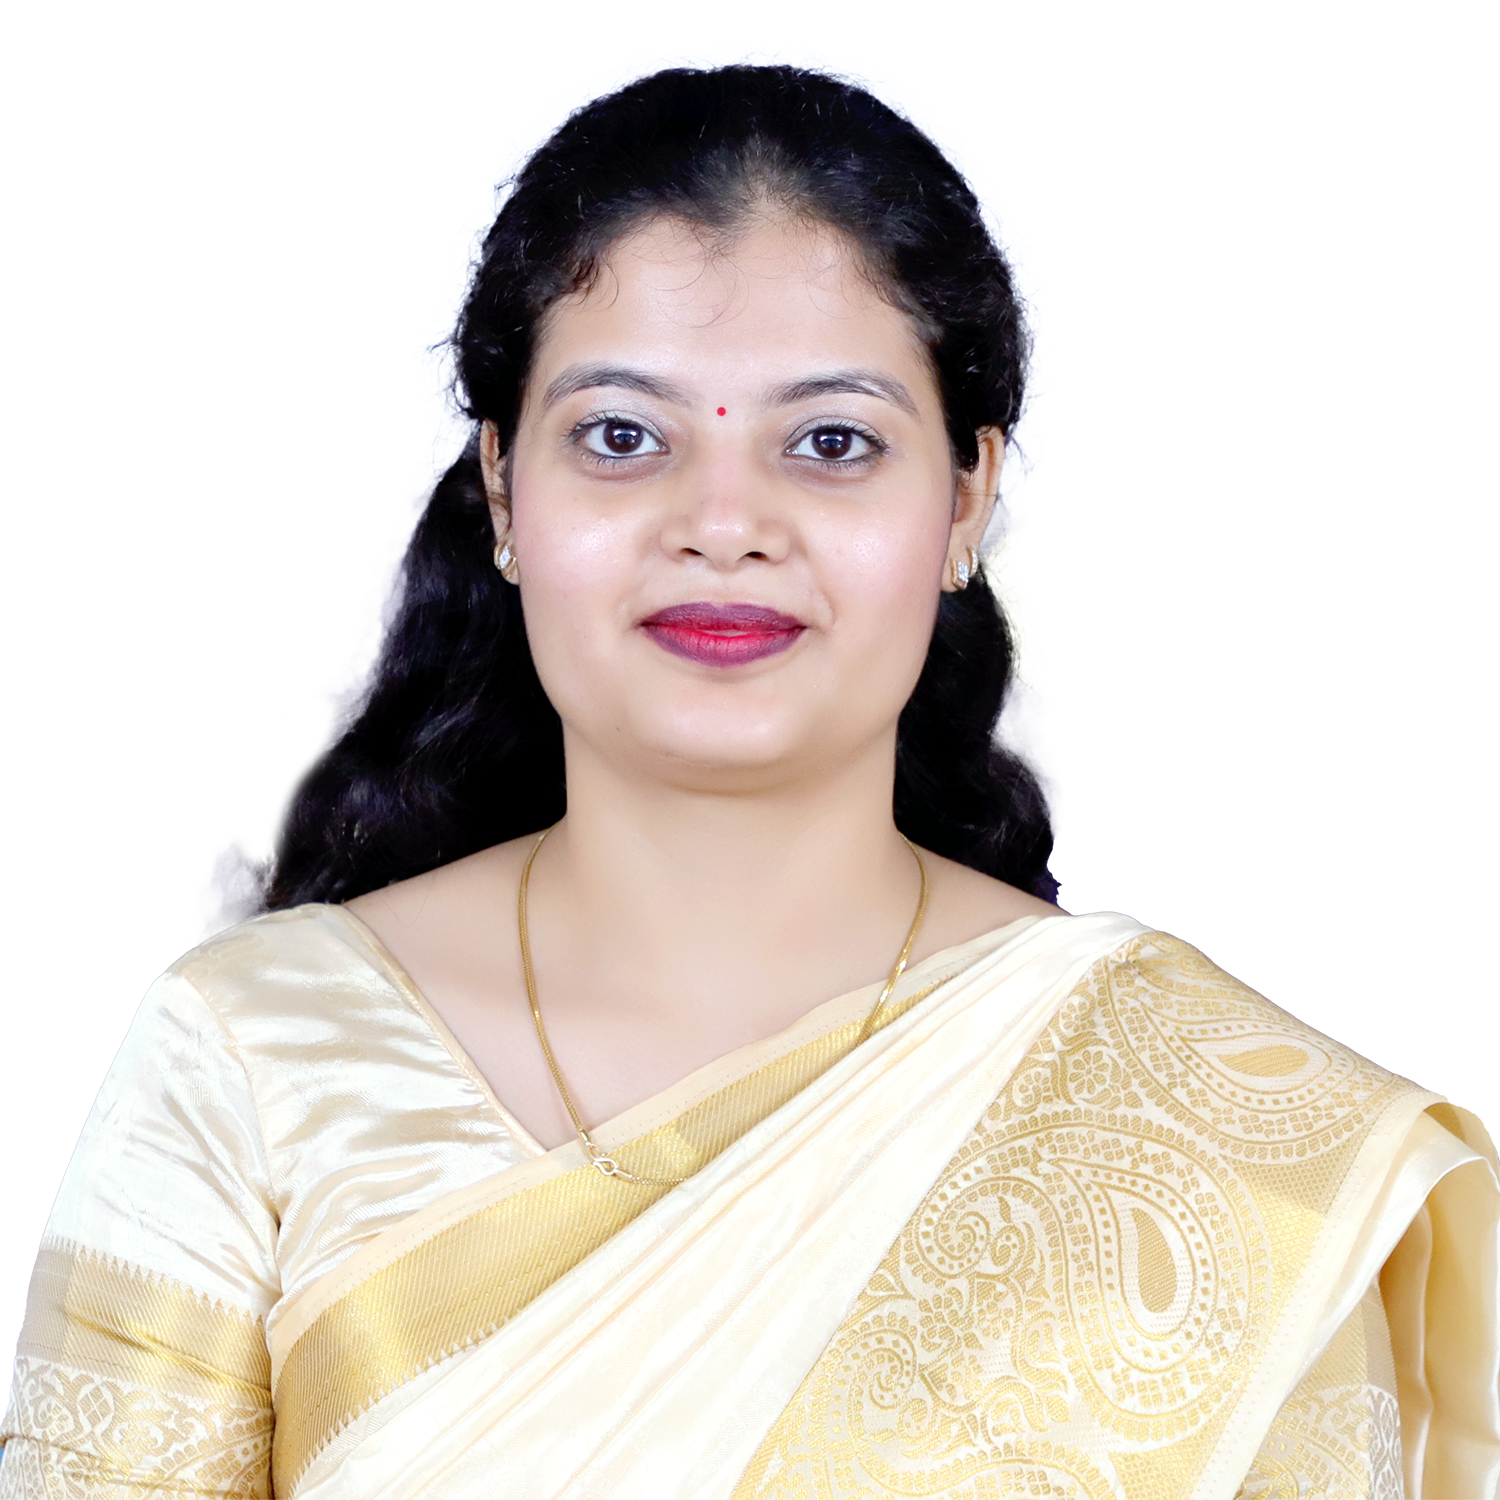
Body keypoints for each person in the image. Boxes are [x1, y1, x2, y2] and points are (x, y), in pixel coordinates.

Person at [3, 61, 1496, 1500]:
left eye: (832, 441)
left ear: (967, 497)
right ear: (505, 490)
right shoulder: (263, 1058)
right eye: (622, 438)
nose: (724, 522)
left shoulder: (1221, 1135)